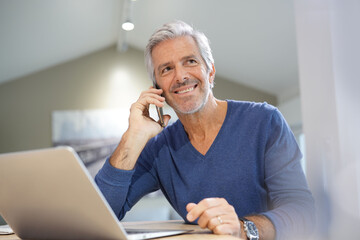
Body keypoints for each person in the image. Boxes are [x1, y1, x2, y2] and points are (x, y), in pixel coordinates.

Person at [95, 20, 315, 240]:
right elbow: (100, 214)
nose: (180, 76)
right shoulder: (159, 150)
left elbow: (302, 212)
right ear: (157, 89)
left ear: (210, 72)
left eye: (190, 61)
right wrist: (133, 137)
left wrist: (243, 229)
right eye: (167, 69)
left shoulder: (265, 121)